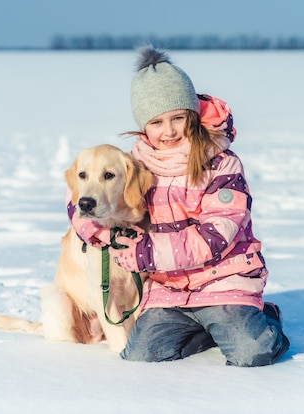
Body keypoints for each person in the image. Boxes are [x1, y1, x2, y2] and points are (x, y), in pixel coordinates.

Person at [71, 46, 289, 367]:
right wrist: (99, 234)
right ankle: (210, 332)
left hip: (224, 282)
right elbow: (83, 197)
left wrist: (144, 253)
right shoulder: (136, 165)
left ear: (192, 115)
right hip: (168, 291)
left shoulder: (221, 164)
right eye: (157, 122)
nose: (169, 131)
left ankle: (264, 321)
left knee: (249, 353)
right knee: (143, 354)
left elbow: (217, 234)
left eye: (177, 118)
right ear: (143, 126)